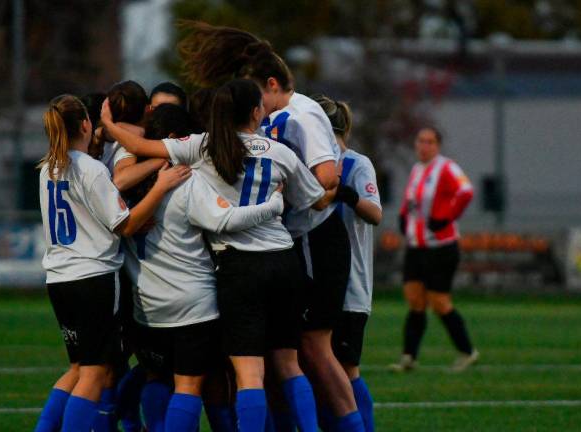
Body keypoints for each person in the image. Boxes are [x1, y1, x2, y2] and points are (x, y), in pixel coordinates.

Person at [102, 78, 329, 432]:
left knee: (248, 371)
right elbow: (316, 198)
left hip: (238, 266)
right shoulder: (280, 151)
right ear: (256, 112)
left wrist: (110, 125)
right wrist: (278, 204)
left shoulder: (202, 146)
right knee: (288, 363)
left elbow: (139, 144)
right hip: (284, 260)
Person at [177, 20, 365, 432]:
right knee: (289, 355)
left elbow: (329, 176)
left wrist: (281, 194)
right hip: (285, 245)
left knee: (314, 348)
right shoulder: (270, 127)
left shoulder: (302, 112)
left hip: (312, 236)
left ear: (273, 84)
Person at [32, 94, 191, 432]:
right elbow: (127, 225)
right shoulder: (90, 169)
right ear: (87, 125)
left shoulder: (47, 168)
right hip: (92, 279)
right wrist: (160, 184)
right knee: (96, 372)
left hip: (59, 279)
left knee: (77, 368)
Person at [313, 95, 382, 432]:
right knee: (318, 369)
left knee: (344, 367)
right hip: (318, 282)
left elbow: (375, 213)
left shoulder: (357, 164)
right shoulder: (310, 163)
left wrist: (348, 195)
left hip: (350, 286)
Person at [390, 126, 478, 373]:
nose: (423, 146)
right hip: (416, 247)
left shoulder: (446, 168)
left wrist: (447, 218)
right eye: (420, 141)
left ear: (437, 146)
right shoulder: (417, 170)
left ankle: (467, 351)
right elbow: (410, 201)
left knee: (439, 302)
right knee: (415, 300)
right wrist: (403, 217)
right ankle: (409, 357)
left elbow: (466, 191)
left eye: (429, 141)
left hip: (441, 247)